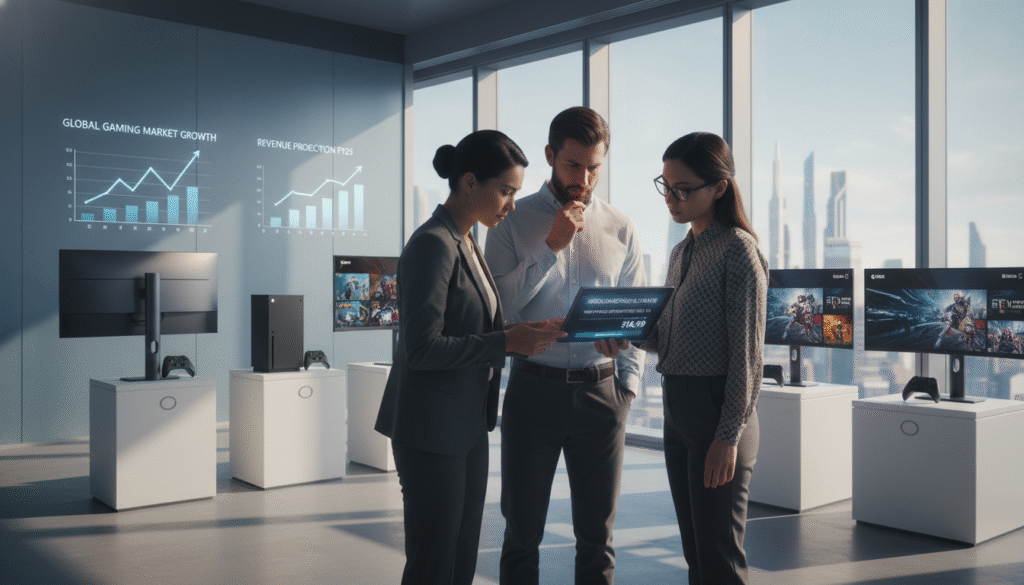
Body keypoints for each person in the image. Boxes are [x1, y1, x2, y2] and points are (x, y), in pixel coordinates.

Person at [374, 130, 566, 585]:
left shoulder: (466, 240)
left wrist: (520, 334)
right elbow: (421, 349)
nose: (512, 204)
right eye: (505, 191)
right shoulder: (433, 245)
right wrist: (507, 343)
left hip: (464, 425)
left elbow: (474, 324)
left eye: (516, 192)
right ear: (469, 182)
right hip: (430, 430)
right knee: (433, 563)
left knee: (460, 560)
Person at [596, 131, 767, 585]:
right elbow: (669, 337)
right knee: (696, 554)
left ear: (719, 188)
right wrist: (623, 332)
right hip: (679, 406)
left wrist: (727, 435)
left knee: (719, 559)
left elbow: (747, 359)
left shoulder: (739, 251)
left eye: (683, 188)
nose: (671, 197)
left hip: (718, 411)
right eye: (666, 185)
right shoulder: (681, 250)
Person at [484, 106, 646, 585]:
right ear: (551, 156)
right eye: (574, 165)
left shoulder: (621, 226)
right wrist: (551, 246)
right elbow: (503, 308)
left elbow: (634, 313)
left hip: (602, 397)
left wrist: (627, 389)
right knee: (522, 533)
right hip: (533, 392)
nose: (585, 178)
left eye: (595, 166)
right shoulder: (511, 222)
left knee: (598, 538)